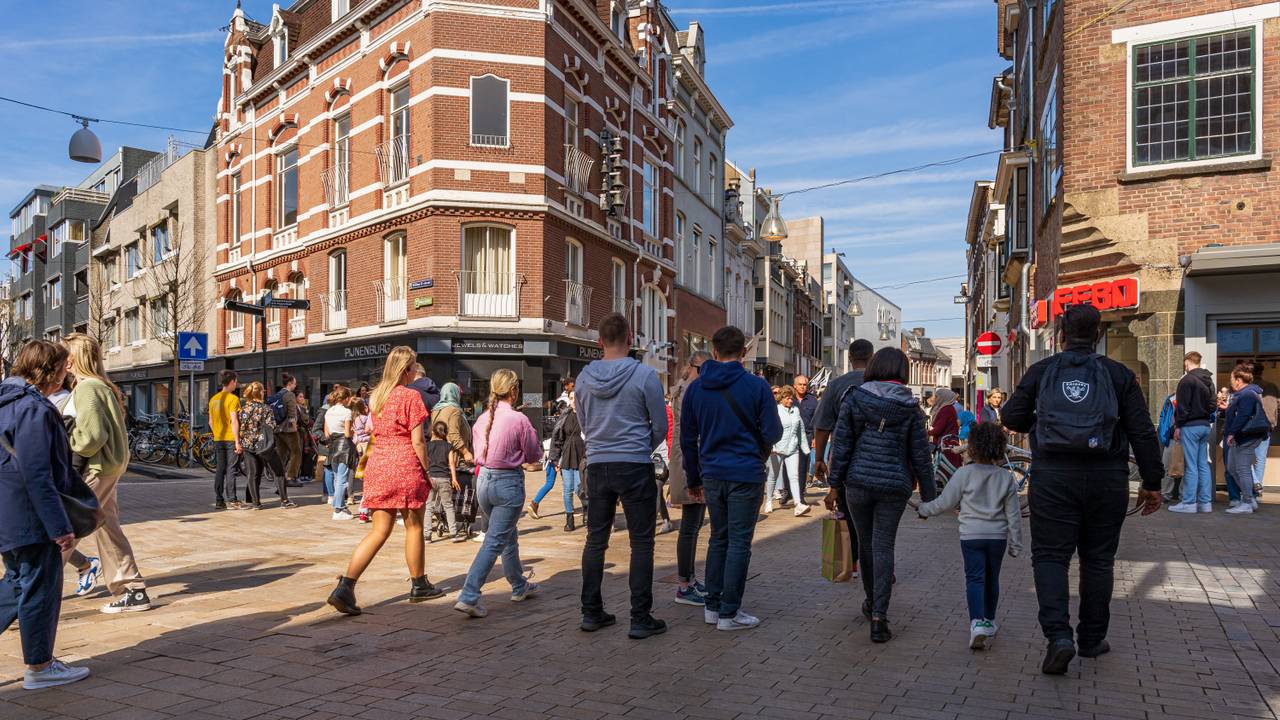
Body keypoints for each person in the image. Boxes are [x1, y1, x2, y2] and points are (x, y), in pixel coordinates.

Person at [1001, 304, 1163, 675]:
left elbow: (1011, 416)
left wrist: (1042, 420)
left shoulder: (1042, 371)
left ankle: (1058, 637)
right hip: (1107, 477)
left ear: (1061, 336)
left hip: (1053, 477)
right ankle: (1091, 638)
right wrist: (1152, 482)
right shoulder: (1118, 374)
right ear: (1097, 335)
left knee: (1050, 557)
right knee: (1099, 559)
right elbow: (1141, 430)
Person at [827, 347, 937, 644]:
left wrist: (834, 484)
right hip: (894, 486)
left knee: (865, 545)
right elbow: (920, 455)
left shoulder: (854, 398)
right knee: (884, 546)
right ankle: (879, 616)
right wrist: (929, 498)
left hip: (858, 483)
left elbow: (842, 446)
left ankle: (871, 601)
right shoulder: (911, 408)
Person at [0, 340, 92, 689]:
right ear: (48, 370)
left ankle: (41, 664)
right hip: (30, 515)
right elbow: (37, 473)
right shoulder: (33, 408)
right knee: (40, 587)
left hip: (8, 511)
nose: (66, 374)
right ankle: (40, 667)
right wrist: (59, 526)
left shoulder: (6, 401)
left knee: (18, 582)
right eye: (63, 368)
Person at [327, 347, 445, 615]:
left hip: (379, 464)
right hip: (405, 464)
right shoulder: (411, 396)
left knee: (379, 531)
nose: (415, 372)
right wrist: (426, 469)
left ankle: (345, 587)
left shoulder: (377, 396)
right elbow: (418, 440)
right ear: (406, 370)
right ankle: (419, 584)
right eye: (413, 367)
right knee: (414, 527)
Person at [680, 325, 782, 632]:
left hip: (711, 473)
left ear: (714, 351)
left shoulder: (696, 388)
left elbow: (688, 439)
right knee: (739, 542)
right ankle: (729, 612)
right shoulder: (756, 386)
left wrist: (693, 478)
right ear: (744, 352)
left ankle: (712, 607)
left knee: (718, 539)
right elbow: (773, 432)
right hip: (745, 472)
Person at [577, 313, 670, 639]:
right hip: (634, 463)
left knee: (595, 540)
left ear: (599, 341)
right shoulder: (644, 376)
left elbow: (584, 424)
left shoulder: (583, 378)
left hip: (598, 464)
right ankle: (640, 617)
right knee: (641, 542)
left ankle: (591, 612)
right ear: (631, 338)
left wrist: (601, 443)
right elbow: (660, 425)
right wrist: (641, 445)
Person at [60, 334, 152, 611]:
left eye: (63, 355)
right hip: (108, 467)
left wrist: (68, 441)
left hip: (96, 468)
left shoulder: (87, 388)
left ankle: (32, 594)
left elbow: (93, 436)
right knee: (107, 527)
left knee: (66, 528)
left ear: (72, 360)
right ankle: (132, 589)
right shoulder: (101, 385)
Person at [916, 422, 1023, 650]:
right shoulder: (1005, 477)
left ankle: (977, 623)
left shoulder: (963, 474)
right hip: (997, 537)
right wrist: (1016, 543)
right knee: (992, 579)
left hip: (971, 535)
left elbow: (944, 502)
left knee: (975, 578)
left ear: (972, 447)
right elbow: (1014, 514)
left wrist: (924, 509)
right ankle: (990, 620)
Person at [454, 369, 542, 618]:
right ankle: (469, 595)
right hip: (507, 483)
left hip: (483, 481)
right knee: (494, 540)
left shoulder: (482, 419)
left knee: (507, 535)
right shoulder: (518, 419)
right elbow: (534, 454)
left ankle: (519, 584)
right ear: (514, 391)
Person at [815, 339, 876, 579]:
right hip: (879, 460)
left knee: (849, 511)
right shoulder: (882, 384)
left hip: (846, 461)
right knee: (878, 516)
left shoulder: (836, 385)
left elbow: (822, 427)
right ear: (872, 357)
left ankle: (853, 561)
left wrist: (819, 458)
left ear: (850, 358)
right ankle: (880, 564)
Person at [669, 350, 711, 605]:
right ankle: (684, 585)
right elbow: (691, 434)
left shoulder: (686, 388)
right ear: (693, 367)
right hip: (689, 462)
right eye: (703, 369)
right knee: (690, 525)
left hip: (689, 459)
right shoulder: (688, 391)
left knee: (692, 525)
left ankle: (690, 579)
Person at [1169, 351, 1216, 513]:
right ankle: (1205, 503)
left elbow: (1182, 408)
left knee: (1191, 465)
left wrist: (1178, 426)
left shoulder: (1186, 380)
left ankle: (1189, 502)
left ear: (1187, 362)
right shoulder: (1208, 380)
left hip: (1190, 426)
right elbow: (1213, 405)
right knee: (1203, 464)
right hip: (1205, 425)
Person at [237, 382, 291, 510]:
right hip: (264, 445)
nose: (264, 393)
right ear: (259, 393)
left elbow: (241, 427)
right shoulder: (266, 408)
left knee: (253, 474)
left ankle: (256, 503)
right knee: (278, 471)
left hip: (248, 445)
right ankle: (284, 501)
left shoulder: (243, 409)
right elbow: (271, 426)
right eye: (262, 391)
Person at [1223, 366, 1268, 515]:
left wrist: (1231, 433)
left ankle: (1248, 502)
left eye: (1232, 379)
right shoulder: (1244, 394)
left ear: (1238, 380)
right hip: (1240, 436)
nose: (1231, 382)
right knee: (1232, 468)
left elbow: (1243, 415)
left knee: (1242, 469)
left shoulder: (1247, 394)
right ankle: (1250, 499)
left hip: (1246, 437)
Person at [766, 386, 811, 516]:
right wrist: (771, 446)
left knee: (794, 476)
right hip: (777, 448)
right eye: (787, 398)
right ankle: (768, 500)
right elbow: (770, 428)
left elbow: (800, 430)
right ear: (781, 398)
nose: (790, 400)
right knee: (772, 476)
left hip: (793, 448)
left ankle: (798, 504)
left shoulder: (796, 410)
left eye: (791, 398)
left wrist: (805, 448)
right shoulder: (775, 410)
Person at [548, 393, 586, 531]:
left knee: (579, 488)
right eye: (571, 398)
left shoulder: (586, 415)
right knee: (567, 489)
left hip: (582, 455)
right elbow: (557, 439)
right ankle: (569, 519)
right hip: (567, 454)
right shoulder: (564, 416)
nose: (574, 401)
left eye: (576, 398)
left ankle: (587, 509)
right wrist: (555, 458)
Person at [208, 371, 242, 510]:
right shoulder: (233, 399)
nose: (236, 384)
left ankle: (219, 500)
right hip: (230, 438)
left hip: (218, 439)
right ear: (232, 382)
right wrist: (237, 441)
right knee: (231, 469)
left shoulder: (213, 399)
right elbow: (234, 421)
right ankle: (232, 500)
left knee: (220, 469)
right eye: (236, 382)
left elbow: (210, 422)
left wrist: (217, 433)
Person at [425, 422, 461, 541]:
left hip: (431, 478)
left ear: (433, 432)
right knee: (448, 506)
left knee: (428, 506)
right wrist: (454, 479)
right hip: (444, 478)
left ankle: (427, 535)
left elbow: (425, 462)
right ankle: (453, 533)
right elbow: (452, 463)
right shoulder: (448, 446)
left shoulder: (427, 446)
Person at [324, 386, 356, 519]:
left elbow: (327, 433)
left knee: (337, 477)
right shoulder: (347, 412)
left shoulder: (328, 411)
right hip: (344, 446)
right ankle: (338, 509)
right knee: (342, 479)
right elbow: (347, 433)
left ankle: (340, 506)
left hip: (333, 445)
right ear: (346, 398)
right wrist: (353, 431)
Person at [275, 373, 303, 485]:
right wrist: (294, 428)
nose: (295, 386)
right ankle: (291, 477)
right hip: (289, 429)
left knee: (282, 454)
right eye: (295, 383)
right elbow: (292, 414)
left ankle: (280, 477)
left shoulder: (278, 394)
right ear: (290, 383)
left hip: (278, 429)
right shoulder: (290, 395)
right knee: (296, 452)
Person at [794, 375, 818, 488]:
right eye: (800, 384)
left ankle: (801, 491)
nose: (802, 387)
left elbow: (816, 420)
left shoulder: (813, 400)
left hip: (807, 437)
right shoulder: (789, 398)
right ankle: (788, 490)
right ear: (795, 386)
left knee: (803, 466)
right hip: (791, 437)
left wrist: (815, 438)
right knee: (789, 465)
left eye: (804, 385)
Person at [929, 387, 963, 469]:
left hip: (946, 446)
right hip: (949, 444)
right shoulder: (950, 408)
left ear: (942, 397)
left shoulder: (945, 409)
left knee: (944, 470)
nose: (935, 399)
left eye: (937, 397)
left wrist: (926, 432)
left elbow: (938, 429)